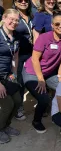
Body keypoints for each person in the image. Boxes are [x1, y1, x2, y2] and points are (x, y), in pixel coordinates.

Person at [22, 12, 61, 133]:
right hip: (32, 72)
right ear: (52, 25)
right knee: (43, 98)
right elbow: (34, 59)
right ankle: (36, 121)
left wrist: (60, 75)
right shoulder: (44, 38)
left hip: (49, 73)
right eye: (57, 24)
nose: (60, 26)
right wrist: (40, 79)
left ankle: (59, 118)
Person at [0, 9, 21, 144]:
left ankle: (5, 125)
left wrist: (14, 73)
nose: (13, 22)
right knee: (8, 104)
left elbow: (15, 55)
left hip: (8, 76)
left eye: (16, 20)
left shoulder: (15, 36)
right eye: (11, 19)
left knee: (18, 101)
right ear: (4, 17)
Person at [12, 0, 33, 120]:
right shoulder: (13, 17)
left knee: (29, 79)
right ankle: (18, 108)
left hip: (31, 53)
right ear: (15, 3)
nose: (23, 2)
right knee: (18, 81)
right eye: (20, 0)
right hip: (18, 54)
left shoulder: (31, 16)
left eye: (26, 0)